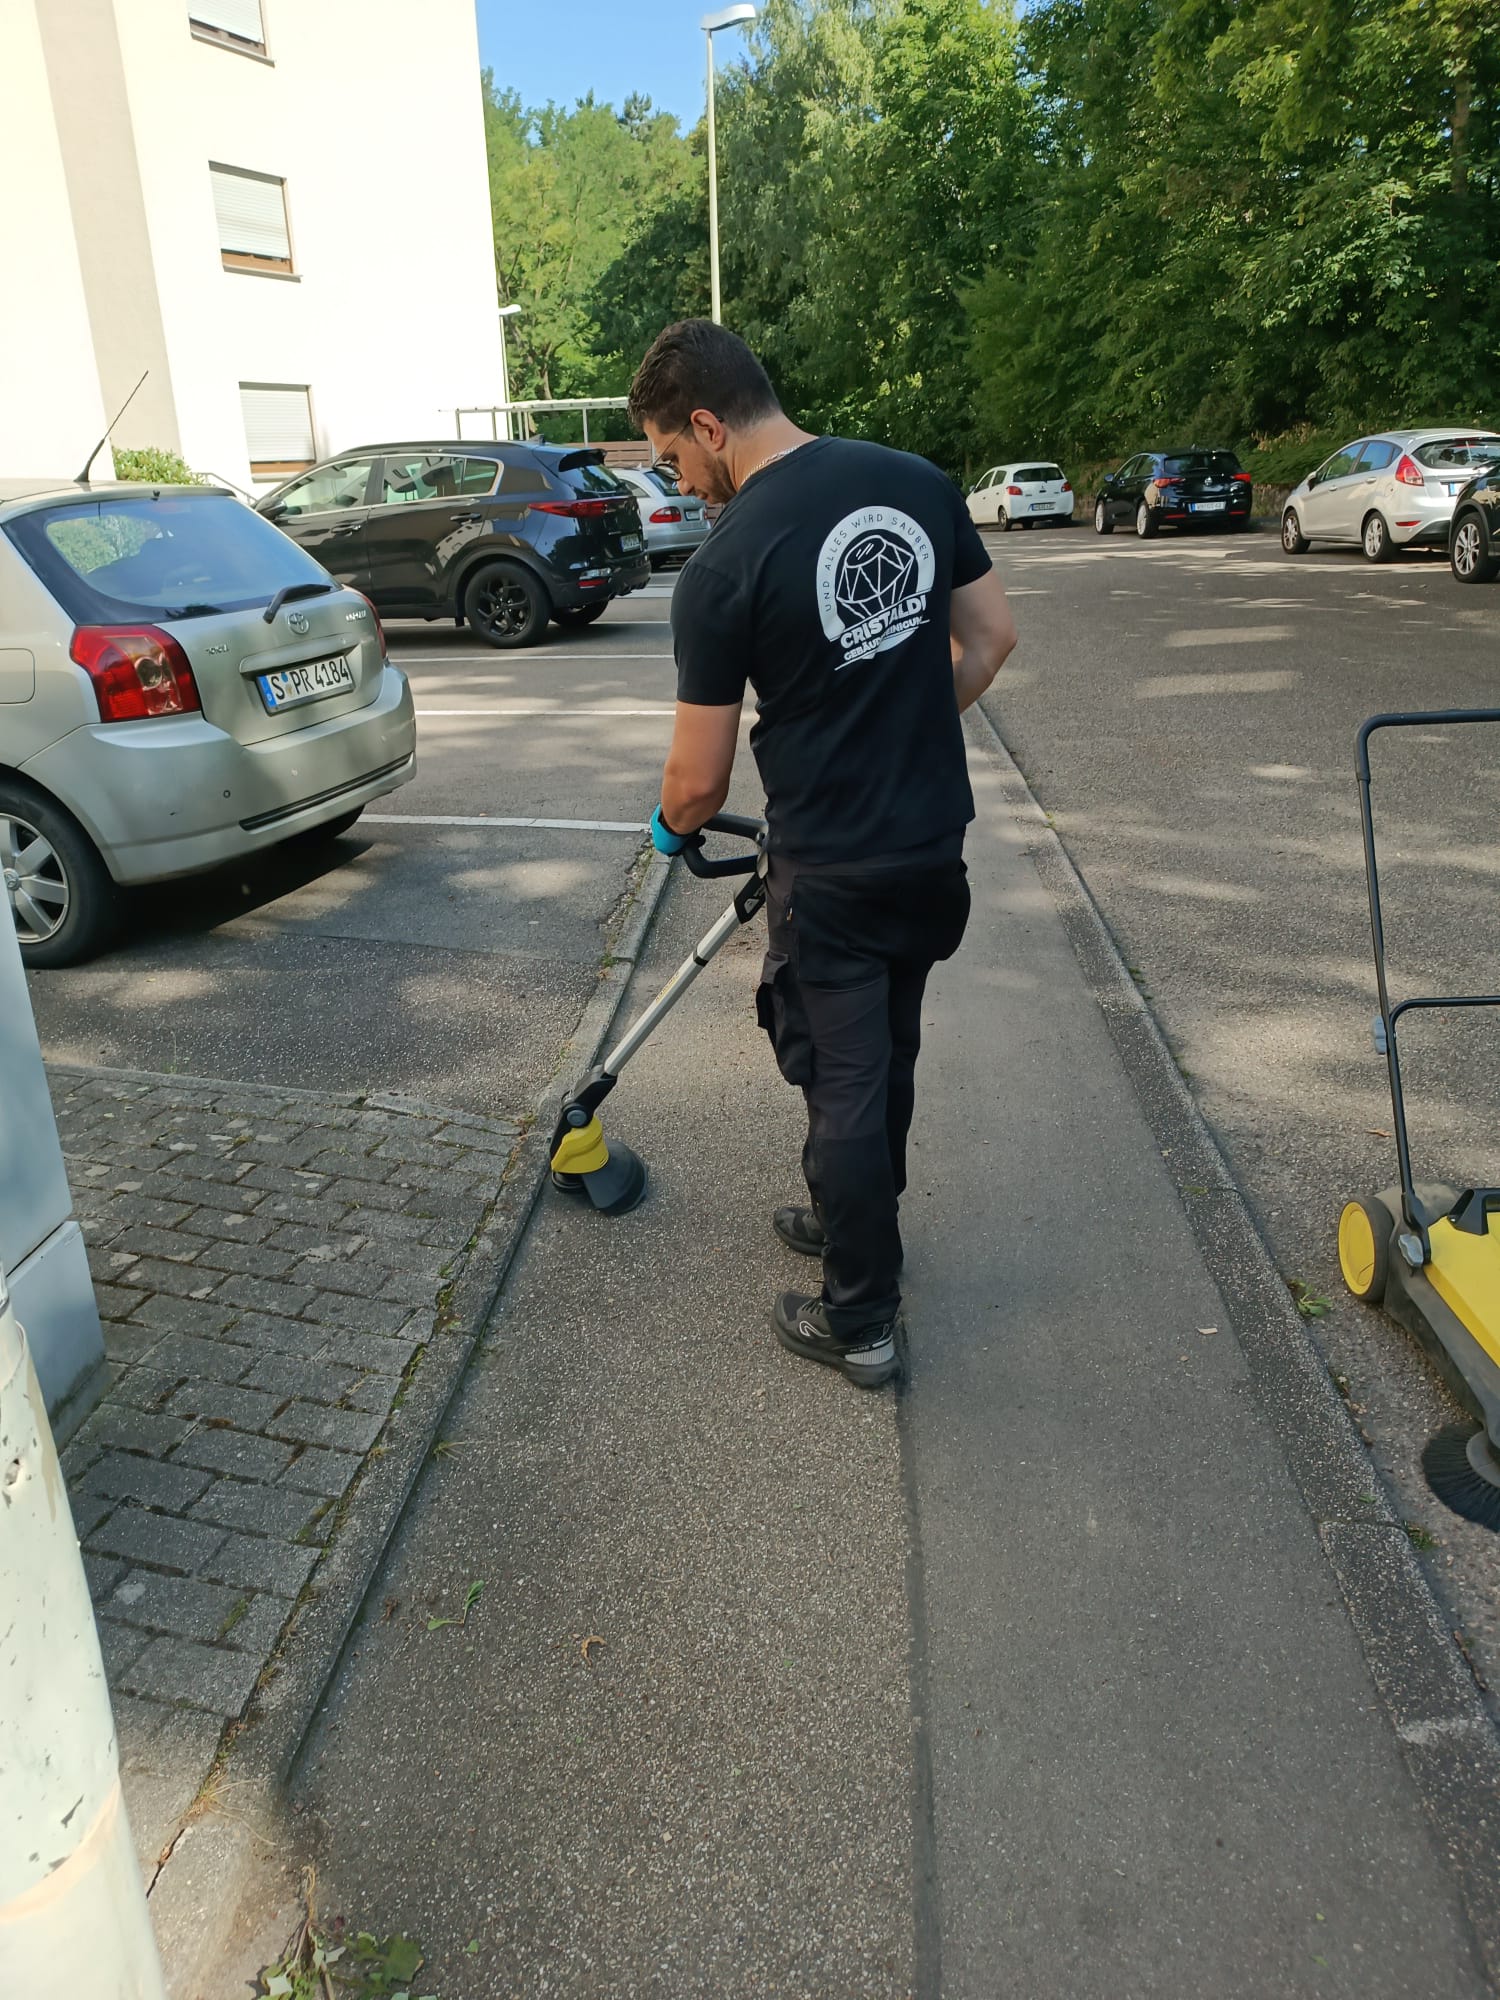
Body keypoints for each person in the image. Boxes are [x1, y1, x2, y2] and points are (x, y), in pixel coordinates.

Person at [628, 319, 1017, 1388]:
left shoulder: (723, 565)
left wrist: (668, 829)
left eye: (674, 455)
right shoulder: (915, 479)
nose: (684, 480)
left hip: (835, 867)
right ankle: (861, 1226)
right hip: (932, 849)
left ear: (709, 422)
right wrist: (905, 722)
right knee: (888, 1054)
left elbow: (698, 782)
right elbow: (991, 639)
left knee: (842, 1083)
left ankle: (862, 1318)